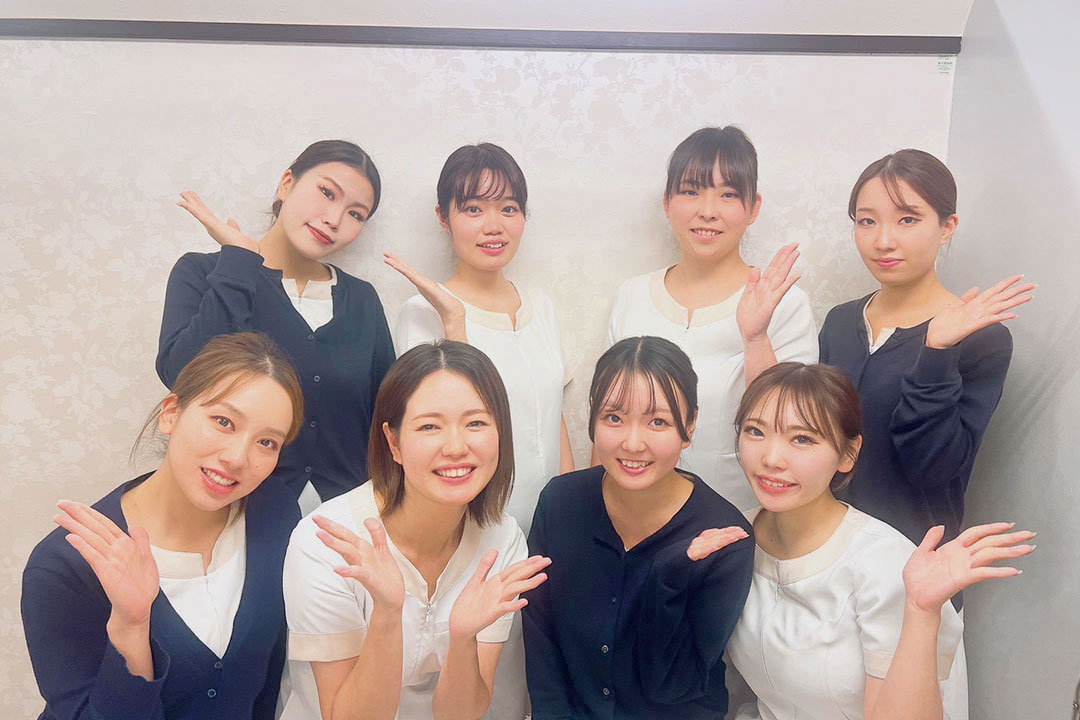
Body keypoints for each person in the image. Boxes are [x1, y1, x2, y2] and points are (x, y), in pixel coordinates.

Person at [725, 362, 1035, 720]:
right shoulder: (732, 538)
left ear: (847, 454)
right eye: (755, 431)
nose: (771, 458)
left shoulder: (882, 564)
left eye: (802, 439)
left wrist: (921, 611)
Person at [22, 332, 306, 720]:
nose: (238, 458)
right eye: (224, 421)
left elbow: (267, 681)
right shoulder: (64, 566)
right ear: (171, 413)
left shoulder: (274, 514)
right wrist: (132, 625)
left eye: (267, 442)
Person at [281, 340, 549, 720]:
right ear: (394, 442)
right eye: (429, 426)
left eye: (475, 423)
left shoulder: (501, 541)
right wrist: (387, 614)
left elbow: (458, 715)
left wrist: (462, 639)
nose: (456, 447)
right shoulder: (328, 542)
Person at [524, 336, 754, 719]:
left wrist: (668, 576)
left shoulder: (724, 537)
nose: (633, 443)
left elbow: (676, 684)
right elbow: (542, 641)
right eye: (614, 418)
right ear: (593, 418)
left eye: (658, 421)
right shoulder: (559, 503)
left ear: (690, 425)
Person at [159, 140, 395, 512]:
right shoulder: (206, 273)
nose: (334, 219)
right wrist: (239, 263)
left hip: (346, 518)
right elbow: (181, 374)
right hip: (233, 511)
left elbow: (389, 415)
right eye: (327, 192)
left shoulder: (363, 300)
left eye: (355, 214)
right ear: (287, 184)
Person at [819, 149, 1035, 552]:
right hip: (826, 550)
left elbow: (933, 469)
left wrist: (937, 352)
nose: (883, 241)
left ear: (947, 226)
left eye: (907, 219)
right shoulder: (840, 322)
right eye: (867, 221)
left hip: (914, 560)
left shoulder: (981, 338)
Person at [605, 126, 816, 510]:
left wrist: (755, 337)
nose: (707, 210)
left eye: (728, 194)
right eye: (691, 191)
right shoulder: (632, 296)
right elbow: (607, 422)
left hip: (742, 517)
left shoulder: (785, 304)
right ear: (667, 202)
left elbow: (792, 431)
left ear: (753, 208)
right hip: (635, 518)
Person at [389, 142, 572, 532]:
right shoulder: (423, 312)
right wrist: (455, 324)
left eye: (509, 208)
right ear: (444, 218)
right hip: (476, 522)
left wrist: (572, 505)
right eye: (473, 209)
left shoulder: (540, 305)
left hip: (552, 520)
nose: (494, 226)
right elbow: (441, 427)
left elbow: (553, 414)